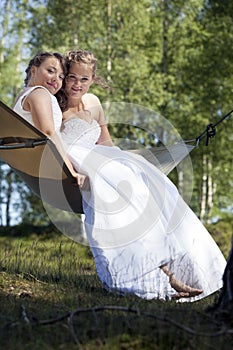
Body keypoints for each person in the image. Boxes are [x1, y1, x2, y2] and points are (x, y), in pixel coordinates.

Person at [60, 49, 226, 302]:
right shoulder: (54, 104)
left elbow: (106, 142)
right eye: (72, 77)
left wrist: (128, 161)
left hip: (103, 161)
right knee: (120, 205)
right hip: (77, 162)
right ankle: (152, 275)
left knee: (153, 189)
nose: (77, 85)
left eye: (84, 79)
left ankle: (168, 272)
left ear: (93, 79)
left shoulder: (93, 102)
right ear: (64, 76)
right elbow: (49, 138)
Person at [13, 51, 86, 187]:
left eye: (60, 77)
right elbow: (48, 133)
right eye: (50, 71)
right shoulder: (39, 92)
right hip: (56, 157)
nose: (56, 79)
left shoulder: (21, 97)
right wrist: (70, 171)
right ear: (33, 71)